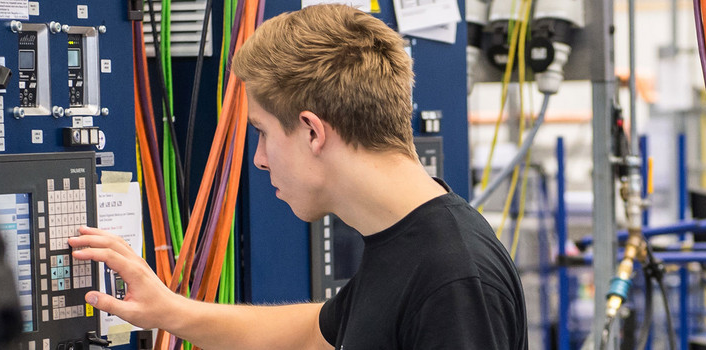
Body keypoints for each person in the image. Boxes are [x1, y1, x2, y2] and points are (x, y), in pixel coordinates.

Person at [68, 4, 526, 349]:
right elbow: (314, 332)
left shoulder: (453, 282)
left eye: (263, 132)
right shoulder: (405, 239)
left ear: (312, 131)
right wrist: (168, 310)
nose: (259, 159)